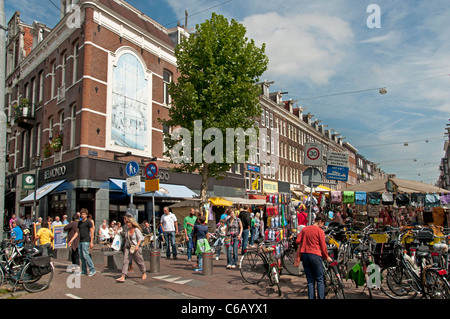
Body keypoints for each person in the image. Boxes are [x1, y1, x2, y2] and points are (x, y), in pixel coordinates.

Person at [294, 213, 332, 299]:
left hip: (305, 255)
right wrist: (326, 257)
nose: (322, 226)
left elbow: (297, 241)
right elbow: (323, 246)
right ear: (319, 222)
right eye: (323, 223)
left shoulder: (305, 229)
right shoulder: (320, 231)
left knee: (310, 281)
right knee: (319, 279)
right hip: (315, 255)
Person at [116, 217, 147, 282]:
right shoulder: (127, 230)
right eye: (126, 222)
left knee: (139, 261)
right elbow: (126, 238)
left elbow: (140, 238)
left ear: (131, 223)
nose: (127, 224)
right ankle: (123, 276)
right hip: (128, 247)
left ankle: (144, 272)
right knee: (126, 261)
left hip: (135, 248)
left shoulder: (136, 230)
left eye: (128, 222)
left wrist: (137, 246)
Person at [68, 208, 96, 277]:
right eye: (81, 214)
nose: (82, 215)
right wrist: (71, 240)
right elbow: (77, 232)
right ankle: (84, 270)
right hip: (81, 240)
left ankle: (92, 269)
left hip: (86, 240)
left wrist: (91, 242)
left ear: (86, 215)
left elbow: (92, 231)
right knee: (81, 256)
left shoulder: (88, 222)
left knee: (86, 255)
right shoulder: (79, 223)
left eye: (84, 214)